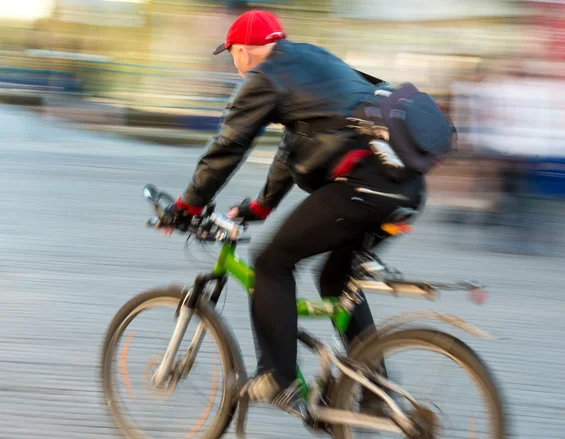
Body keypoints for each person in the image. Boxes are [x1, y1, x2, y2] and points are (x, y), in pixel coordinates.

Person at [168, 10, 425, 416]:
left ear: (245, 49)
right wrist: (261, 205)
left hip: (363, 188)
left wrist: (187, 205)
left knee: (271, 263)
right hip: (405, 190)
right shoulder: (311, 60)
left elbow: (229, 144)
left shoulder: (264, 75)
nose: (235, 65)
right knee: (335, 278)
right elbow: (296, 144)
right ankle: (376, 391)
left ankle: (278, 377)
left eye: (232, 53)